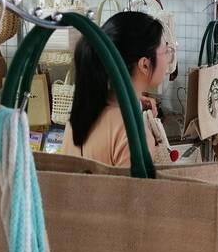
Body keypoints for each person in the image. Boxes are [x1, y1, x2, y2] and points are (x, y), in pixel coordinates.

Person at [62, 11, 175, 167]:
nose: (169, 57)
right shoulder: (134, 136)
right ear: (145, 64)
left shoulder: (80, 114)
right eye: (166, 51)